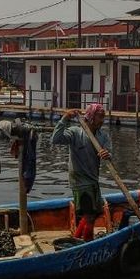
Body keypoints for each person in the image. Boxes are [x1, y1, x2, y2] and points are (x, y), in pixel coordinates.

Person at [51, 103, 112, 242]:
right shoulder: (75, 133)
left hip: (93, 180)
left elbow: (110, 154)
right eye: (99, 117)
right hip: (79, 182)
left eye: (103, 117)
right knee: (89, 217)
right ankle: (87, 244)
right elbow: (55, 139)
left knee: (95, 214)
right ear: (90, 117)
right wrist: (65, 118)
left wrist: (107, 154)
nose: (102, 121)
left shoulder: (103, 136)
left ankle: (76, 238)